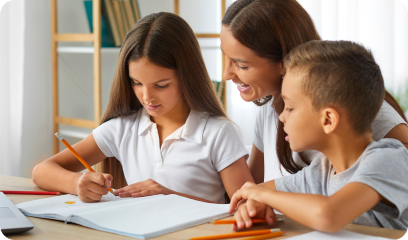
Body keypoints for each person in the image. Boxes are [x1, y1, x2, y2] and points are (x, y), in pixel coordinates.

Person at [32, 12, 254, 204]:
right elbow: (41, 171)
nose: (147, 97)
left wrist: (170, 196)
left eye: (161, 85)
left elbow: (247, 208)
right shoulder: (123, 129)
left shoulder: (218, 133)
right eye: (136, 83)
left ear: (187, 76)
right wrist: (78, 182)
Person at [221, 0, 408, 184]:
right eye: (225, 57)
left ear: (284, 62)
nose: (226, 74)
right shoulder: (269, 111)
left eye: (241, 65)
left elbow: (330, 209)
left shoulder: (359, 110)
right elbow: (254, 190)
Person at [229, 40, 408, 231]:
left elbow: (329, 215)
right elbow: (254, 192)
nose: (281, 117)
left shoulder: (388, 159)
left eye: (290, 107)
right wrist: (250, 204)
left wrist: (261, 196)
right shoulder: (321, 171)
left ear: (328, 120)